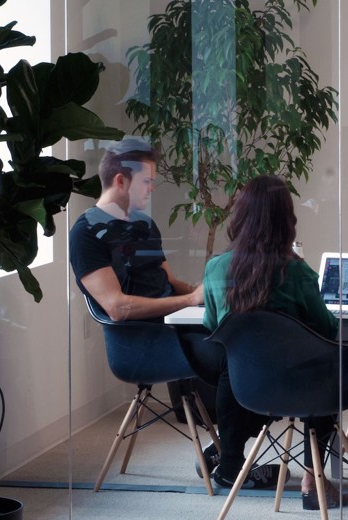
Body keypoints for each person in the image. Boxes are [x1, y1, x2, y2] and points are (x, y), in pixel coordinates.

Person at [68, 138, 282, 490]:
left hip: (175, 331)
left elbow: (168, 282)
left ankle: (225, 449)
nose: (153, 188)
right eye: (147, 182)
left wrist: (212, 292)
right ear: (121, 180)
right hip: (139, 345)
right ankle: (231, 464)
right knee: (243, 357)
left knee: (261, 346)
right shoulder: (86, 233)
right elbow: (117, 307)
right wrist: (189, 301)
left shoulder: (142, 224)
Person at [204, 175, 348, 513]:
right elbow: (327, 330)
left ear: (239, 216)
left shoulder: (215, 270)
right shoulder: (298, 274)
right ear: (287, 220)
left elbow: (214, 328)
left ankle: (302, 477)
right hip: (306, 391)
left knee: (301, 363)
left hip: (248, 390)